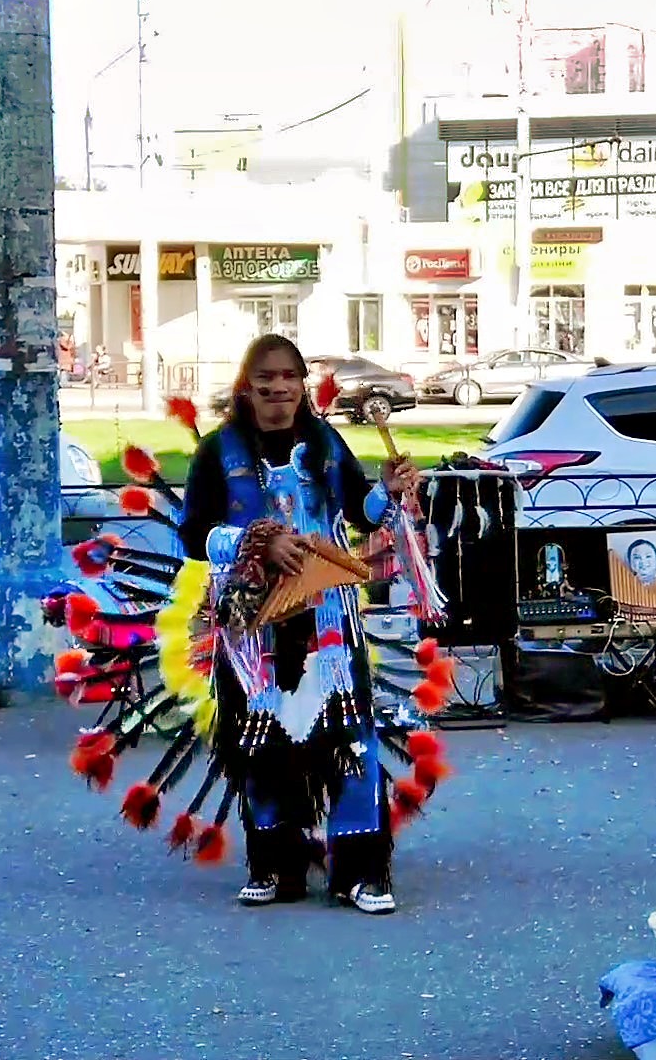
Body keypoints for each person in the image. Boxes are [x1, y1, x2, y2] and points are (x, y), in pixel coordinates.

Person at [175, 333, 418, 912]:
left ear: (301, 385)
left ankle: (361, 873)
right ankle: (277, 865)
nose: (278, 389)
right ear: (247, 388)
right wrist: (257, 542)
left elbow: (361, 511)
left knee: (350, 742)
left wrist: (389, 492)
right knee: (261, 737)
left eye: (289, 378)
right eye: (266, 381)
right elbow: (192, 534)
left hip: (328, 621)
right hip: (254, 625)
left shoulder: (326, 445)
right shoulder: (219, 452)